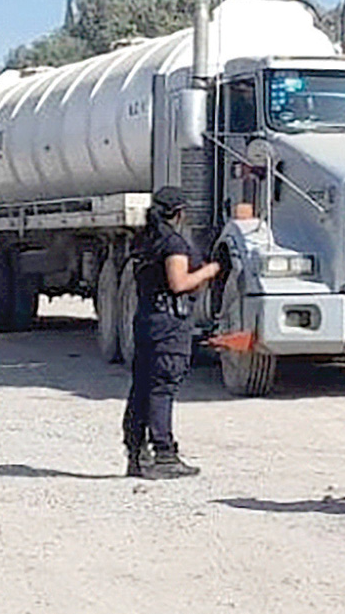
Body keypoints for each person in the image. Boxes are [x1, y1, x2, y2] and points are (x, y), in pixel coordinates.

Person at [122, 186, 221, 479]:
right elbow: (178, 282)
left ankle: (136, 453)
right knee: (162, 387)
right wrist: (210, 270)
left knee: (142, 386)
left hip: (147, 320)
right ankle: (163, 453)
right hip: (169, 324)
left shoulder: (145, 240)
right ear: (179, 213)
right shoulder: (173, 243)